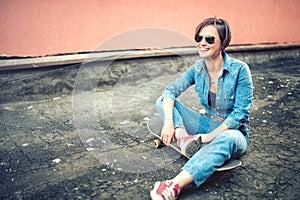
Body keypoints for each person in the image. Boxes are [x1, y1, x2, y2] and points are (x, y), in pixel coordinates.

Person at [150, 17, 253, 200]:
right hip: (205, 123)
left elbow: (240, 114)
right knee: (163, 100)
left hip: (233, 131)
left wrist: (210, 137)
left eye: (210, 39)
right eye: (199, 38)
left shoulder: (239, 70)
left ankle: (173, 185)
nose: (202, 43)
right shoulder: (198, 69)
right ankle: (183, 140)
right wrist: (170, 123)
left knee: (227, 138)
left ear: (223, 42)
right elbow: (169, 91)